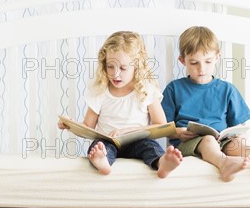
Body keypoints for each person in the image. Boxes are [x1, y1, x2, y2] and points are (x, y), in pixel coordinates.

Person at [58, 31, 183, 178]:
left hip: (138, 141)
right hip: (108, 141)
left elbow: (161, 125)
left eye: (123, 68)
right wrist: (71, 125)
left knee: (150, 146)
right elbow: (88, 126)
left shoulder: (146, 90)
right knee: (99, 146)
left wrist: (129, 131)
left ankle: (162, 163)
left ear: (136, 67)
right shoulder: (100, 91)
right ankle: (102, 161)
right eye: (110, 66)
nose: (115, 74)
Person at [162, 26, 250, 182]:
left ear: (217, 57)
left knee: (237, 143)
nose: (201, 69)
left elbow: (238, 126)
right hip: (190, 142)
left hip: (222, 139)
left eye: (208, 61)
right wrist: (178, 132)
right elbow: (163, 127)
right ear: (182, 60)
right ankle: (224, 164)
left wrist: (239, 138)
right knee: (208, 140)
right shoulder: (174, 88)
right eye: (194, 62)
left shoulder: (227, 89)